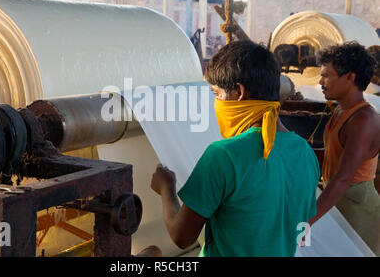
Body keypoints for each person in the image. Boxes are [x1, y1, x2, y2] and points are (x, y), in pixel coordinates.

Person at [151, 40, 320, 256]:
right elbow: (298, 228)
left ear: (239, 92)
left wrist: (167, 188)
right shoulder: (305, 153)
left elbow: (181, 236)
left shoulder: (223, 155)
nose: (216, 103)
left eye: (217, 94)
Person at [308, 42, 380, 256]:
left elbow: (344, 178)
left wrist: (308, 220)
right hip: (338, 198)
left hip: (358, 207)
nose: (320, 82)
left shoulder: (363, 120)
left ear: (350, 78)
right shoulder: (341, 109)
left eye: (326, 75)